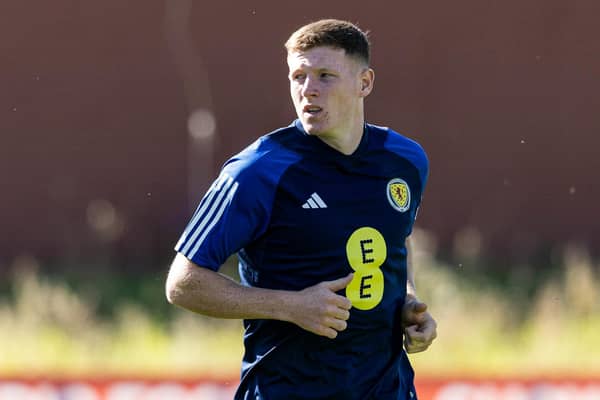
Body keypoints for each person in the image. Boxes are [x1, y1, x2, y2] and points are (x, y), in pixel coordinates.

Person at [166, 19, 437, 400]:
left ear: (365, 83)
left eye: (325, 76)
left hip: (388, 390)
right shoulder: (258, 171)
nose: (308, 90)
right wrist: (292, 306)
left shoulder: (405, 160)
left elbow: (397, 239)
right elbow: (183, 283)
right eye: (298, 76)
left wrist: (407, 299)